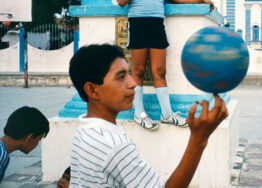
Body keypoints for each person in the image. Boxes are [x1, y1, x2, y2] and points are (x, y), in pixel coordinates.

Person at [68, 44, 228, 187]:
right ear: (92, 90)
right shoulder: (115, 146)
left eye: (129, 74)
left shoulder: (83, 131)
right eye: (121, 77)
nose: (133, 84)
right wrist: (198, 140)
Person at [117, 0, 215, 130]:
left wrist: (200, 0)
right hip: (137, 25)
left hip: (156, 26)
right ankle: (139, 113)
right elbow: (122, 1)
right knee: (137, 71)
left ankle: (167, 114)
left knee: (159, 71)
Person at [0, 107, 49, 183]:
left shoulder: (3, 152)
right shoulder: (1, 156)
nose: (37, 144)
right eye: (39, 139)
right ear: (30, 138)